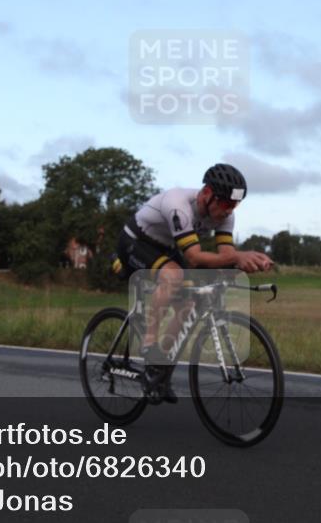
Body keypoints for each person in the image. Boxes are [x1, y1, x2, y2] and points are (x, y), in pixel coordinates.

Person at [112, 163, 274, 403]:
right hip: (135, 240)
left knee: (189, 302)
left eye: (235, 205)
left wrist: (246, 262)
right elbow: (195, 257)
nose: (230, 211)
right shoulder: (179, 205)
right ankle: (149, 344)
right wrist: (238, 256)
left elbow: (225, 256)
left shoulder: (225, 216)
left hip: (166, 247)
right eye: (226, 204)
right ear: (207, 194)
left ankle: (159, 370)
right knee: (174, 276)